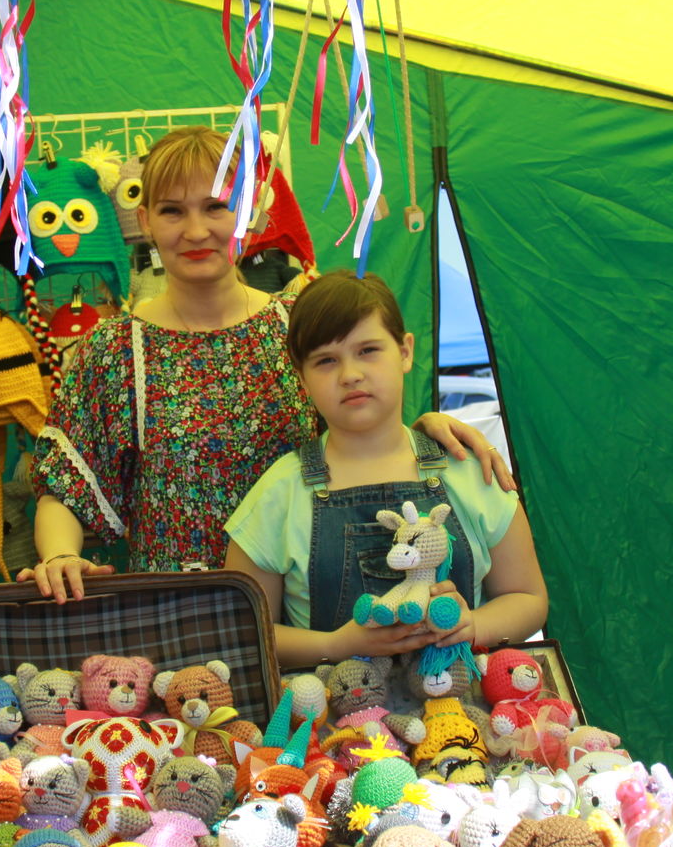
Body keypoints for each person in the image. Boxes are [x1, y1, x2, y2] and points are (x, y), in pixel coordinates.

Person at [26, 125, 511, 601]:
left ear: (247, 211)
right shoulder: (113, 350)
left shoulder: (300, 326)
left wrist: (424, 430)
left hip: (308, 615)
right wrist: (59, 556)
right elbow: (66, 481)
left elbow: (365, 427)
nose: (196, 230)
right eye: (173, 210)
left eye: (215, 206)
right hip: (177, 615)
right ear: (146, 220)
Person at [224, 270, 547, 669]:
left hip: (462, 703)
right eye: (326, 361)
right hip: (331, 708)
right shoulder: (279, 493)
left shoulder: (467, 470)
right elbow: (241, 631)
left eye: (368, 350)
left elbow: (528, 598)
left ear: (405, 351)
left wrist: (474, 625)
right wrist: (336, 645)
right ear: (302, 378)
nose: (350, 375)